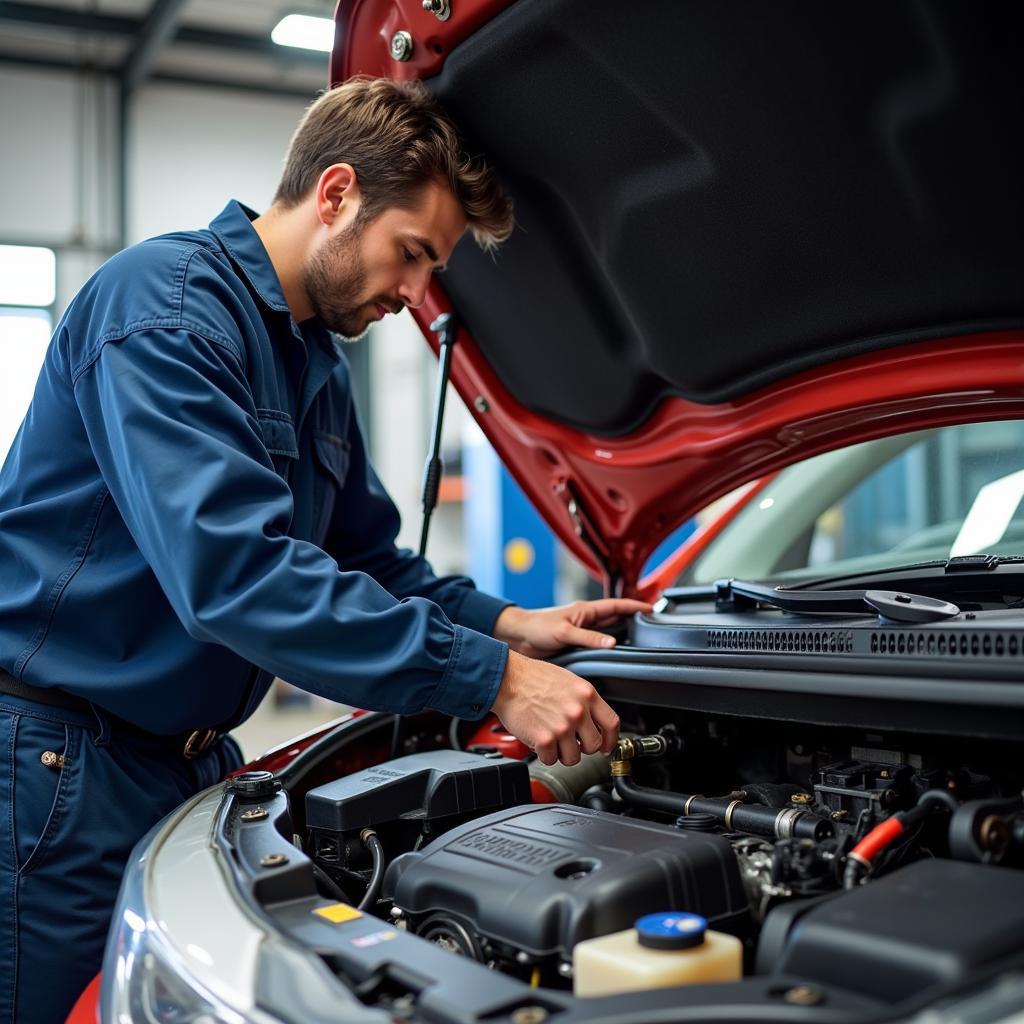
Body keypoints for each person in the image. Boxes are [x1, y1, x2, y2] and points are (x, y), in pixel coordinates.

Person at [0, 77, 650, 1022]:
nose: (418, 295)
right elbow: (236, 577)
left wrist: (514, 626)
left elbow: (371, 564)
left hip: (184, 766)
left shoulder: (312, 363)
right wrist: (495, 680)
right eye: (413, 255)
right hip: (59, 772)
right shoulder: (167, 309)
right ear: (337, 194)